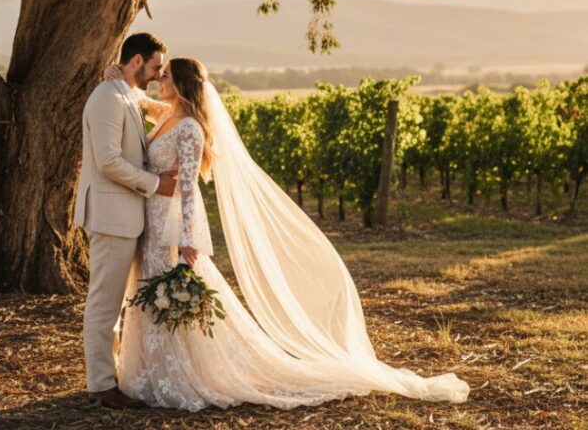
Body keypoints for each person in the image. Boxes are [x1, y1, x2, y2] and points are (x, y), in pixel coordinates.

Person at [104, 57, 470, 411]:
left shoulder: (189, 129)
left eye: (166, 76)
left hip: (170, 230)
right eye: (160, 74)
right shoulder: (168, 115)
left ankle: (177, 376)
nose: (159, 81)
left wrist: (187, 242)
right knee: (148, 293)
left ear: (182, 85)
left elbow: (188, 191)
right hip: (149, 224)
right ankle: (150, 374)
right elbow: (140, 99)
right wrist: (119, 78)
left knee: (167, 297)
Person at [74, 32, 178, 409]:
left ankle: (109, 377)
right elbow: (108, 161)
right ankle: (101, 385)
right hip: (109, 216)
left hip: (124, 216)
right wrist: (155, 185)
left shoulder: (124, 92)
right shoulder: (106, 98)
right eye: (154, 67)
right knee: (104, 303)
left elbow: (164, 108)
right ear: (136, 61)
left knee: (113, 302)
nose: (156, 74)